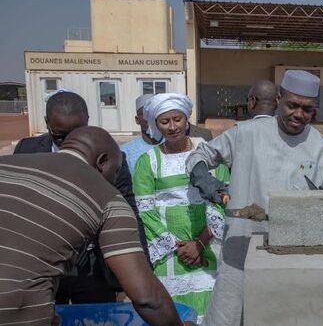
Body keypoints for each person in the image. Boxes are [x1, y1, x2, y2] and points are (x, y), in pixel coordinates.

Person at [185, 69, 323, 326]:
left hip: (291, 258)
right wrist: (206, 181)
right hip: (239, 250)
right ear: (279, 98)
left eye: (307, 109)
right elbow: (198, 156)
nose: (298, 114)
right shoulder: (246, 133)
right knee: (227, 318)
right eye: (292, 105)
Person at [0, 126, 194, 326]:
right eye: (116, 172)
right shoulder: (107, 199)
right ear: (102, 162)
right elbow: (147, 299)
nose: (115, 180)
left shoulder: (6, 164)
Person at [13, 90, 146, 303]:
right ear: (47, 123)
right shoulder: (26, 150)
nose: (69, 143)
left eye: (77, 132)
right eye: (60, 136)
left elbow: (129, 213)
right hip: (41, 267)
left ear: (88, 122)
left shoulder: (110, 157)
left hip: (92, 269)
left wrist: (133, 279)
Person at [133, 93, 227, 322]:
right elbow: (146, 211)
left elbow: (221, 203)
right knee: (173, 314)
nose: (173, 127)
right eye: (165, 122)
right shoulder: (148, 161)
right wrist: (179, 248)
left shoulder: (210, 154)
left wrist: (199, 244)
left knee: (212, 311)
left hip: (209, 248)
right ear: (155, 124)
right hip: (169, 254)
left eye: (178, 119)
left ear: (187, 119)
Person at [121, 94, 159, 175]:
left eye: (153, 112)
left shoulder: (172, 145)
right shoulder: (125, 151)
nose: (149, 118)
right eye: (144, 114)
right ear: (137, 120)